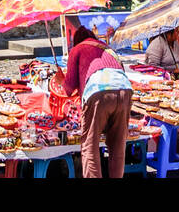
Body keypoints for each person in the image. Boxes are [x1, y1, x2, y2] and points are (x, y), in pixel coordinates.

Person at [55, 26, 133, 178]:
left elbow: (69, 89)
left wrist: (60, 80)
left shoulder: (77, 49)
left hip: (99, 91)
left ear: (76, 41)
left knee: (90, 145)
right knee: (118, 145)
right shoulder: (109, 49)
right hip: (125, 90)